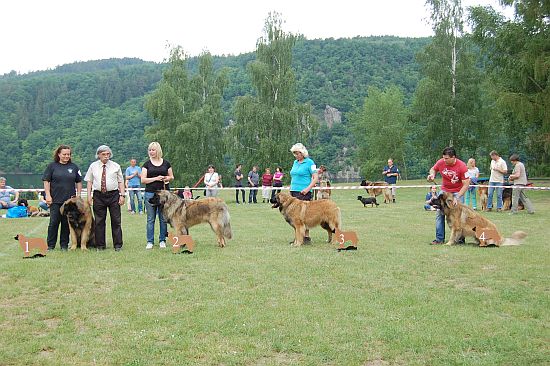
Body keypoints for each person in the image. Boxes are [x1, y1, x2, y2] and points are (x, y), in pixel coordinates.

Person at [42, 145, 83, 251]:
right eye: (64, 154)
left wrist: (78, 195)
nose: (66, 156)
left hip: (69, 202)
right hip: (55, 200)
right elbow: (46, 181)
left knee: (66, 223)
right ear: (59, 154)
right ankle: (50, 245)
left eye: (68, 154)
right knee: (54, 222)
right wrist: (48, 195)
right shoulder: (52, 166)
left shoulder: (74, 167)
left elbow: (78, 182)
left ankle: (64, 245)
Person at [84, 145, 125, 251]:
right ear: (98, 155)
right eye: (103, 154)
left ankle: (118, 245)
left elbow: (120, 181)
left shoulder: (116, 166)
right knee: (99, 221)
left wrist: (122, 195)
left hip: (113, 195)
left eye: (108, 154)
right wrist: (89, 196)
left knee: (116, 220)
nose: (106, 156)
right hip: (98, 195)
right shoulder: (93, 166)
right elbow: (89, 181)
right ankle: (100, 245)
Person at [426, 146, 470, 245]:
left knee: (458, 217)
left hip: (457, 192)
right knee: (439, 214)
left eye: (446, 158)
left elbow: (466, 183)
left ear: (453, 157)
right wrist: (432, 174)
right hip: (444, 192)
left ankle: (460, 239)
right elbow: (433, 169)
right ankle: (439, 239)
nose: (444, 160)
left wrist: (457, 197)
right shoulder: (441, 162)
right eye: (443, 157)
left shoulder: (462, 166)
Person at [142, 142, 174, 250]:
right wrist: (155, 178)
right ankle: (150, 241)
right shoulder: (146, 164)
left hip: (164, 195)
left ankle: (162, 240)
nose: (151, 152)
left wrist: (166, 178)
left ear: (158, 150)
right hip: (150, 193)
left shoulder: (166, 163)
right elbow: (143, 180)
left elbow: (171, 176)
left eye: (153, 150)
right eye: (150, 150)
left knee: (163, 218)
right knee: (151, 219)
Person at [289, 143, 319, 243]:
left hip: (304, 192)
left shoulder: (310, 162)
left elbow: (315, 178)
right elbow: (293, 176)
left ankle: (306, 237)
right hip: (294, 192)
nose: (296, 155)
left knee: (304, 215)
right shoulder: (295, 162)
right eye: (295, 154)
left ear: (302, 153)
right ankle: (298, 237)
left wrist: (307, 188)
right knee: (294, 216)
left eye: (297, 153)